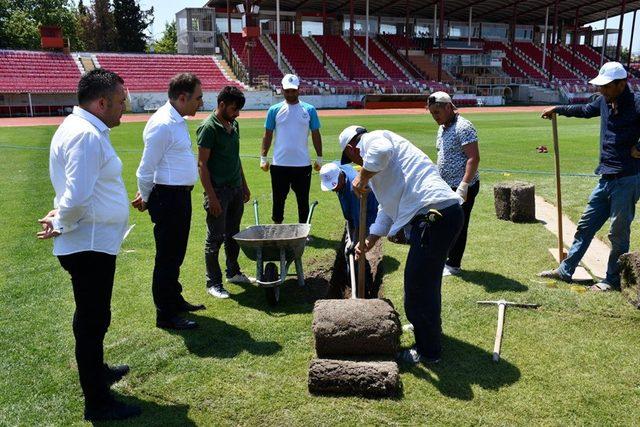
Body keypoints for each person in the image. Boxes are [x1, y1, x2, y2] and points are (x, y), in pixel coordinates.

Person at [37, 69, 141, 421]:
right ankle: (97, 401)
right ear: (101, 102)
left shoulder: (85, 129)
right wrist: (62, 221)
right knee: (92, 320)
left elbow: (74, 191)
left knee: (95, 317)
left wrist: (60, 217)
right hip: (88, 244)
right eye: (121, 101)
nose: (124, 108)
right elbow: (78, 196)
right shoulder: (85, 135)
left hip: (93, 241)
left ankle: (98, 373)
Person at [338, 125, 463, 365]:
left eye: (351, 157)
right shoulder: (381, 172)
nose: (355, 162)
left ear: (353, 148)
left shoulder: (375, 139)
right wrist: (370, 239)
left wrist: (362, 177)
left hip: (434, 216)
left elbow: (380, 150)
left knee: (418, 287)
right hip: (438, 216)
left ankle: (428, 352)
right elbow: (387, 208)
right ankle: (426, 331)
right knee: (425, 283)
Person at [538, 61, 640, 291]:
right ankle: (566, 270)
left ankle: (612, 280)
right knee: (586, 225)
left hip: (627, 178)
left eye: (606, 86)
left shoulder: (636, 103)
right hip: (606, 177)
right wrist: (558, 109)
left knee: (618, 232)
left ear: (621, 84)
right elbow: (584, 110)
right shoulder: (605, 101)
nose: (601, 90)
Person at [131, 73, 205, 330]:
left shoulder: (176, 120)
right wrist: (148, 197)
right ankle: (165, 314)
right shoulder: (163, 124)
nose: (201, 103)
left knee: (176, 254)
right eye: (198, 98)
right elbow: (145, 169)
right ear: (182, 98)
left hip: (178, 196)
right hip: (167, 198)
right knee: (167, 257)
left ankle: (174, 299)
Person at [196, 86, 252, 299]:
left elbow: (235, 158)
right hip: (218, 191)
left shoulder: (233, 124)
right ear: (221, 105)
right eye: (234, 109)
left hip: (235, 188)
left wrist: (244, 184)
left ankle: (233, 272)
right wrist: (211, 197)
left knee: (233, 234)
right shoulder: (208, 128)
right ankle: (213, 283)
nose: (237, 113)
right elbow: (202, 164)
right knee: (215, 238)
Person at [427, 91, 480, 276]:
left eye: (437, 112)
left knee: (459, 225)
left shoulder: (463, 127)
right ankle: (443, 257)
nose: (435, 117)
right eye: (432, 113)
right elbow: (442, 155)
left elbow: (473, 158)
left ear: (449, 107)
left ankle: (454, 264)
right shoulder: (443, 127)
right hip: (445, 185)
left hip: (462, 186)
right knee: (442, 223)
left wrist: (464, 186)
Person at [260, 74, 323, 224]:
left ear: (299, 89)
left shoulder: (310, 110)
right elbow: (267, 135)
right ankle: (277, 226)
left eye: (293, 90)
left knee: (303, 200)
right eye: (287, 91)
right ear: (282, 90)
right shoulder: (274, 110)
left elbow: (316, 134)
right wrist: (263, 157)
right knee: (278, 199)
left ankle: (304, 229)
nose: (290, 94)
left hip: (302, 165)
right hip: (279, 164)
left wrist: (320, 157)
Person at [319, 161, 379, 297]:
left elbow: (359, 222)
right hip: (354, 214)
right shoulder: (338, 168)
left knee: (356, 252)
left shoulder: (354, 192)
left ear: (341, 177)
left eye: (334, 185)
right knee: (348, 250)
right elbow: (337, 161)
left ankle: (363, 285)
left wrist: (354, 241)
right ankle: (351, 284)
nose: (333, 189)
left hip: (368, 214)